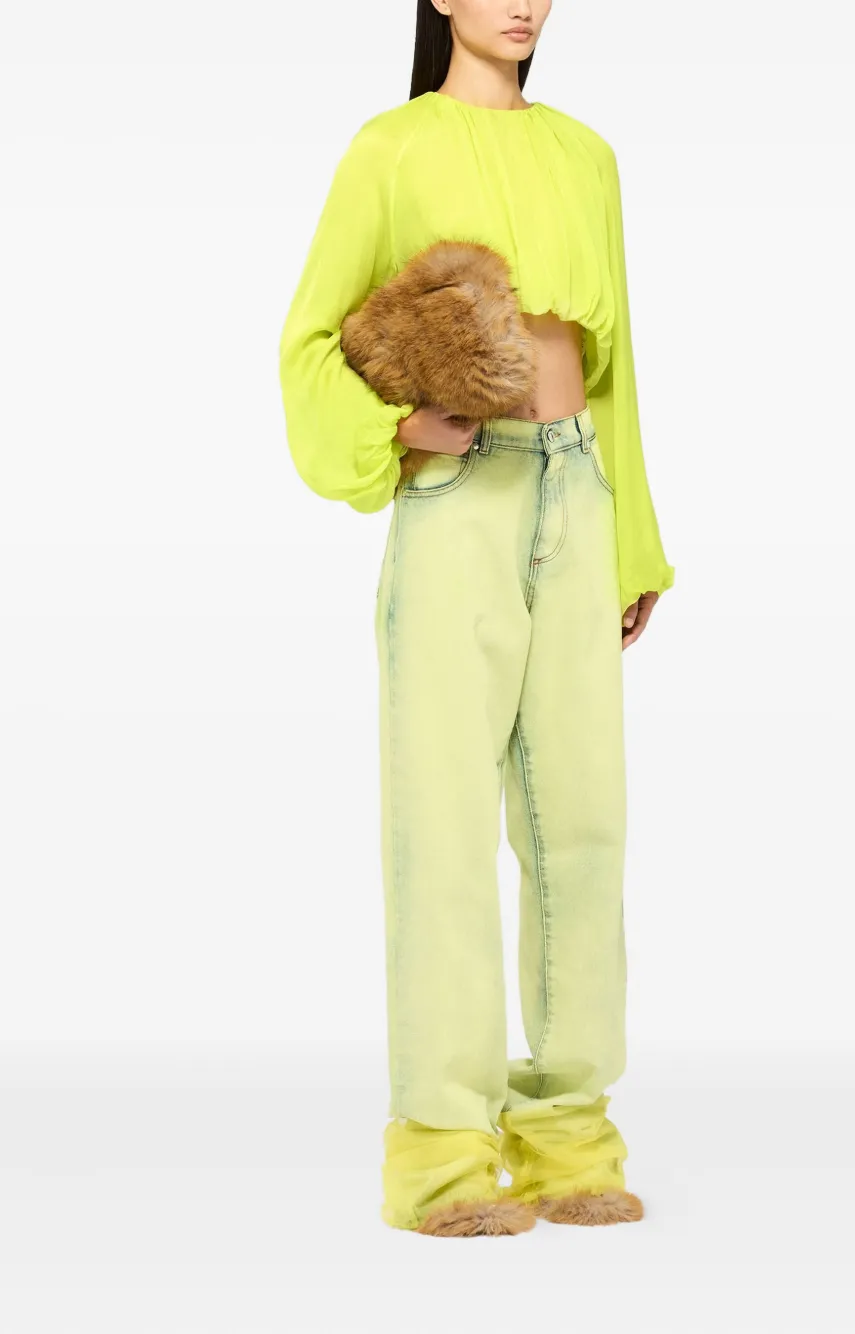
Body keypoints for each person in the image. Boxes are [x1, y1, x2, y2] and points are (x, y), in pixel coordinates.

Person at [278, 0, 676, 1237]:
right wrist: (395, 429)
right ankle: (441, 1153)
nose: (523, 2)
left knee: (583, 821)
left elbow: (616, 370)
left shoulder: (585, 154)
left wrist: (634, 539)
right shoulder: (389, 148)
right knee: (442, 821)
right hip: (458, 497)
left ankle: (566, 1135)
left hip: (578, 492)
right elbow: (305, 344)